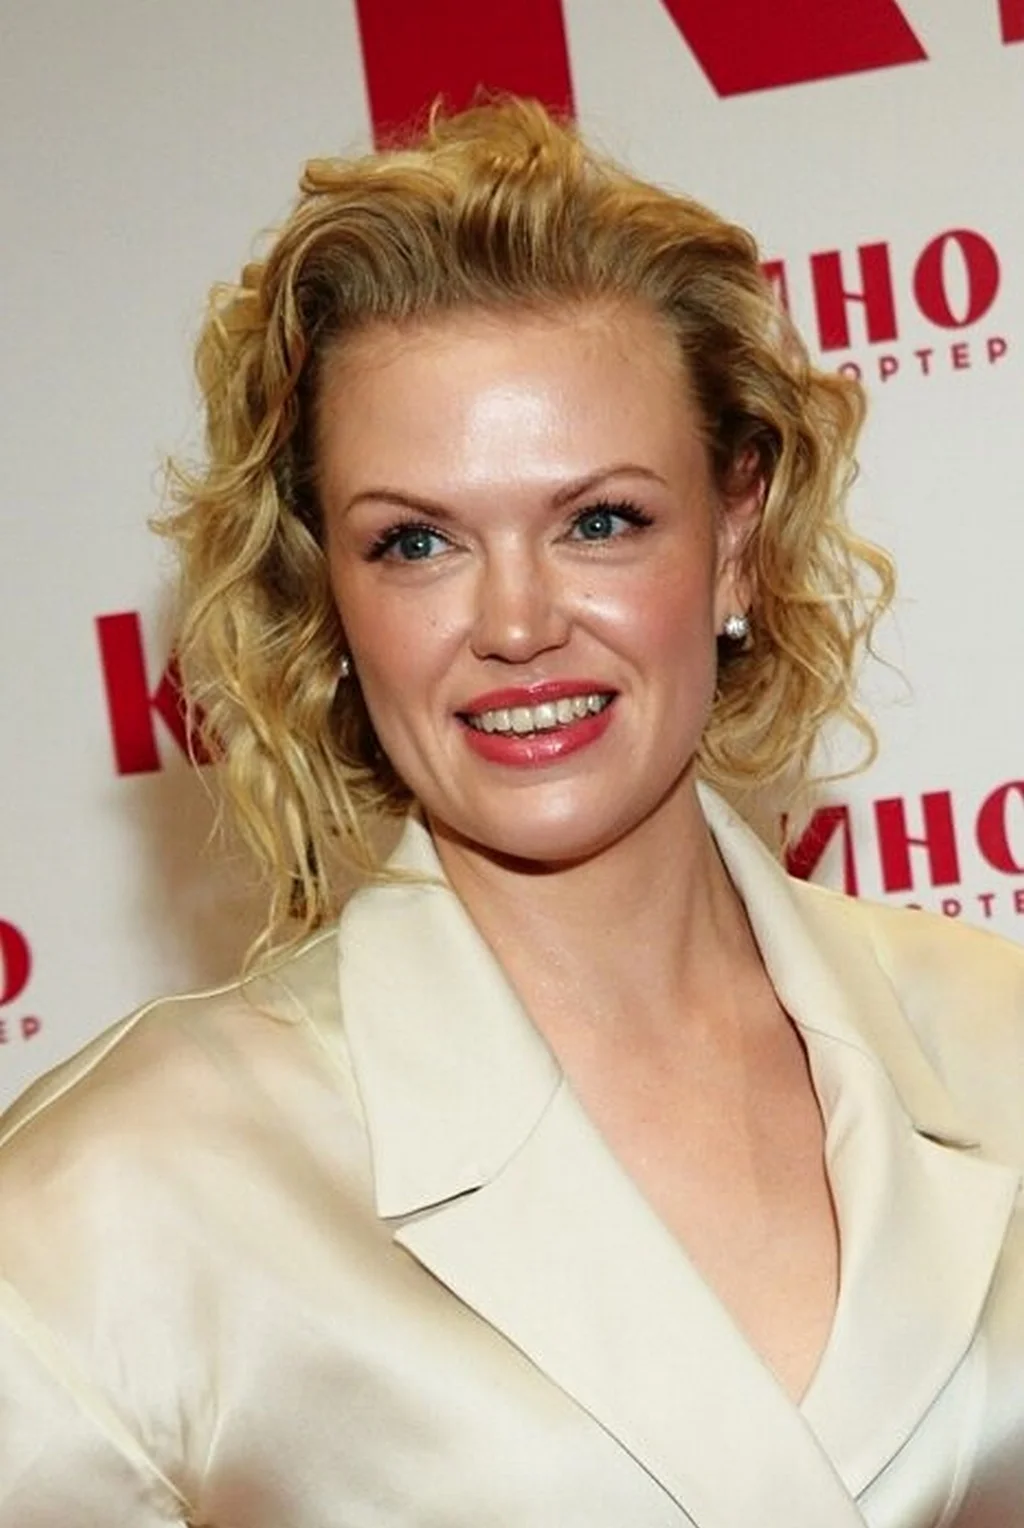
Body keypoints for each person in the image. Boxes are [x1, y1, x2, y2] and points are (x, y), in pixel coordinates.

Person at [1, 98, 1022, 1528]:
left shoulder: (995, 1035)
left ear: (734, 539)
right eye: (415, 542)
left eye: (601, 521)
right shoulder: (125, 1188)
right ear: (329, 596)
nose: (519, 623)